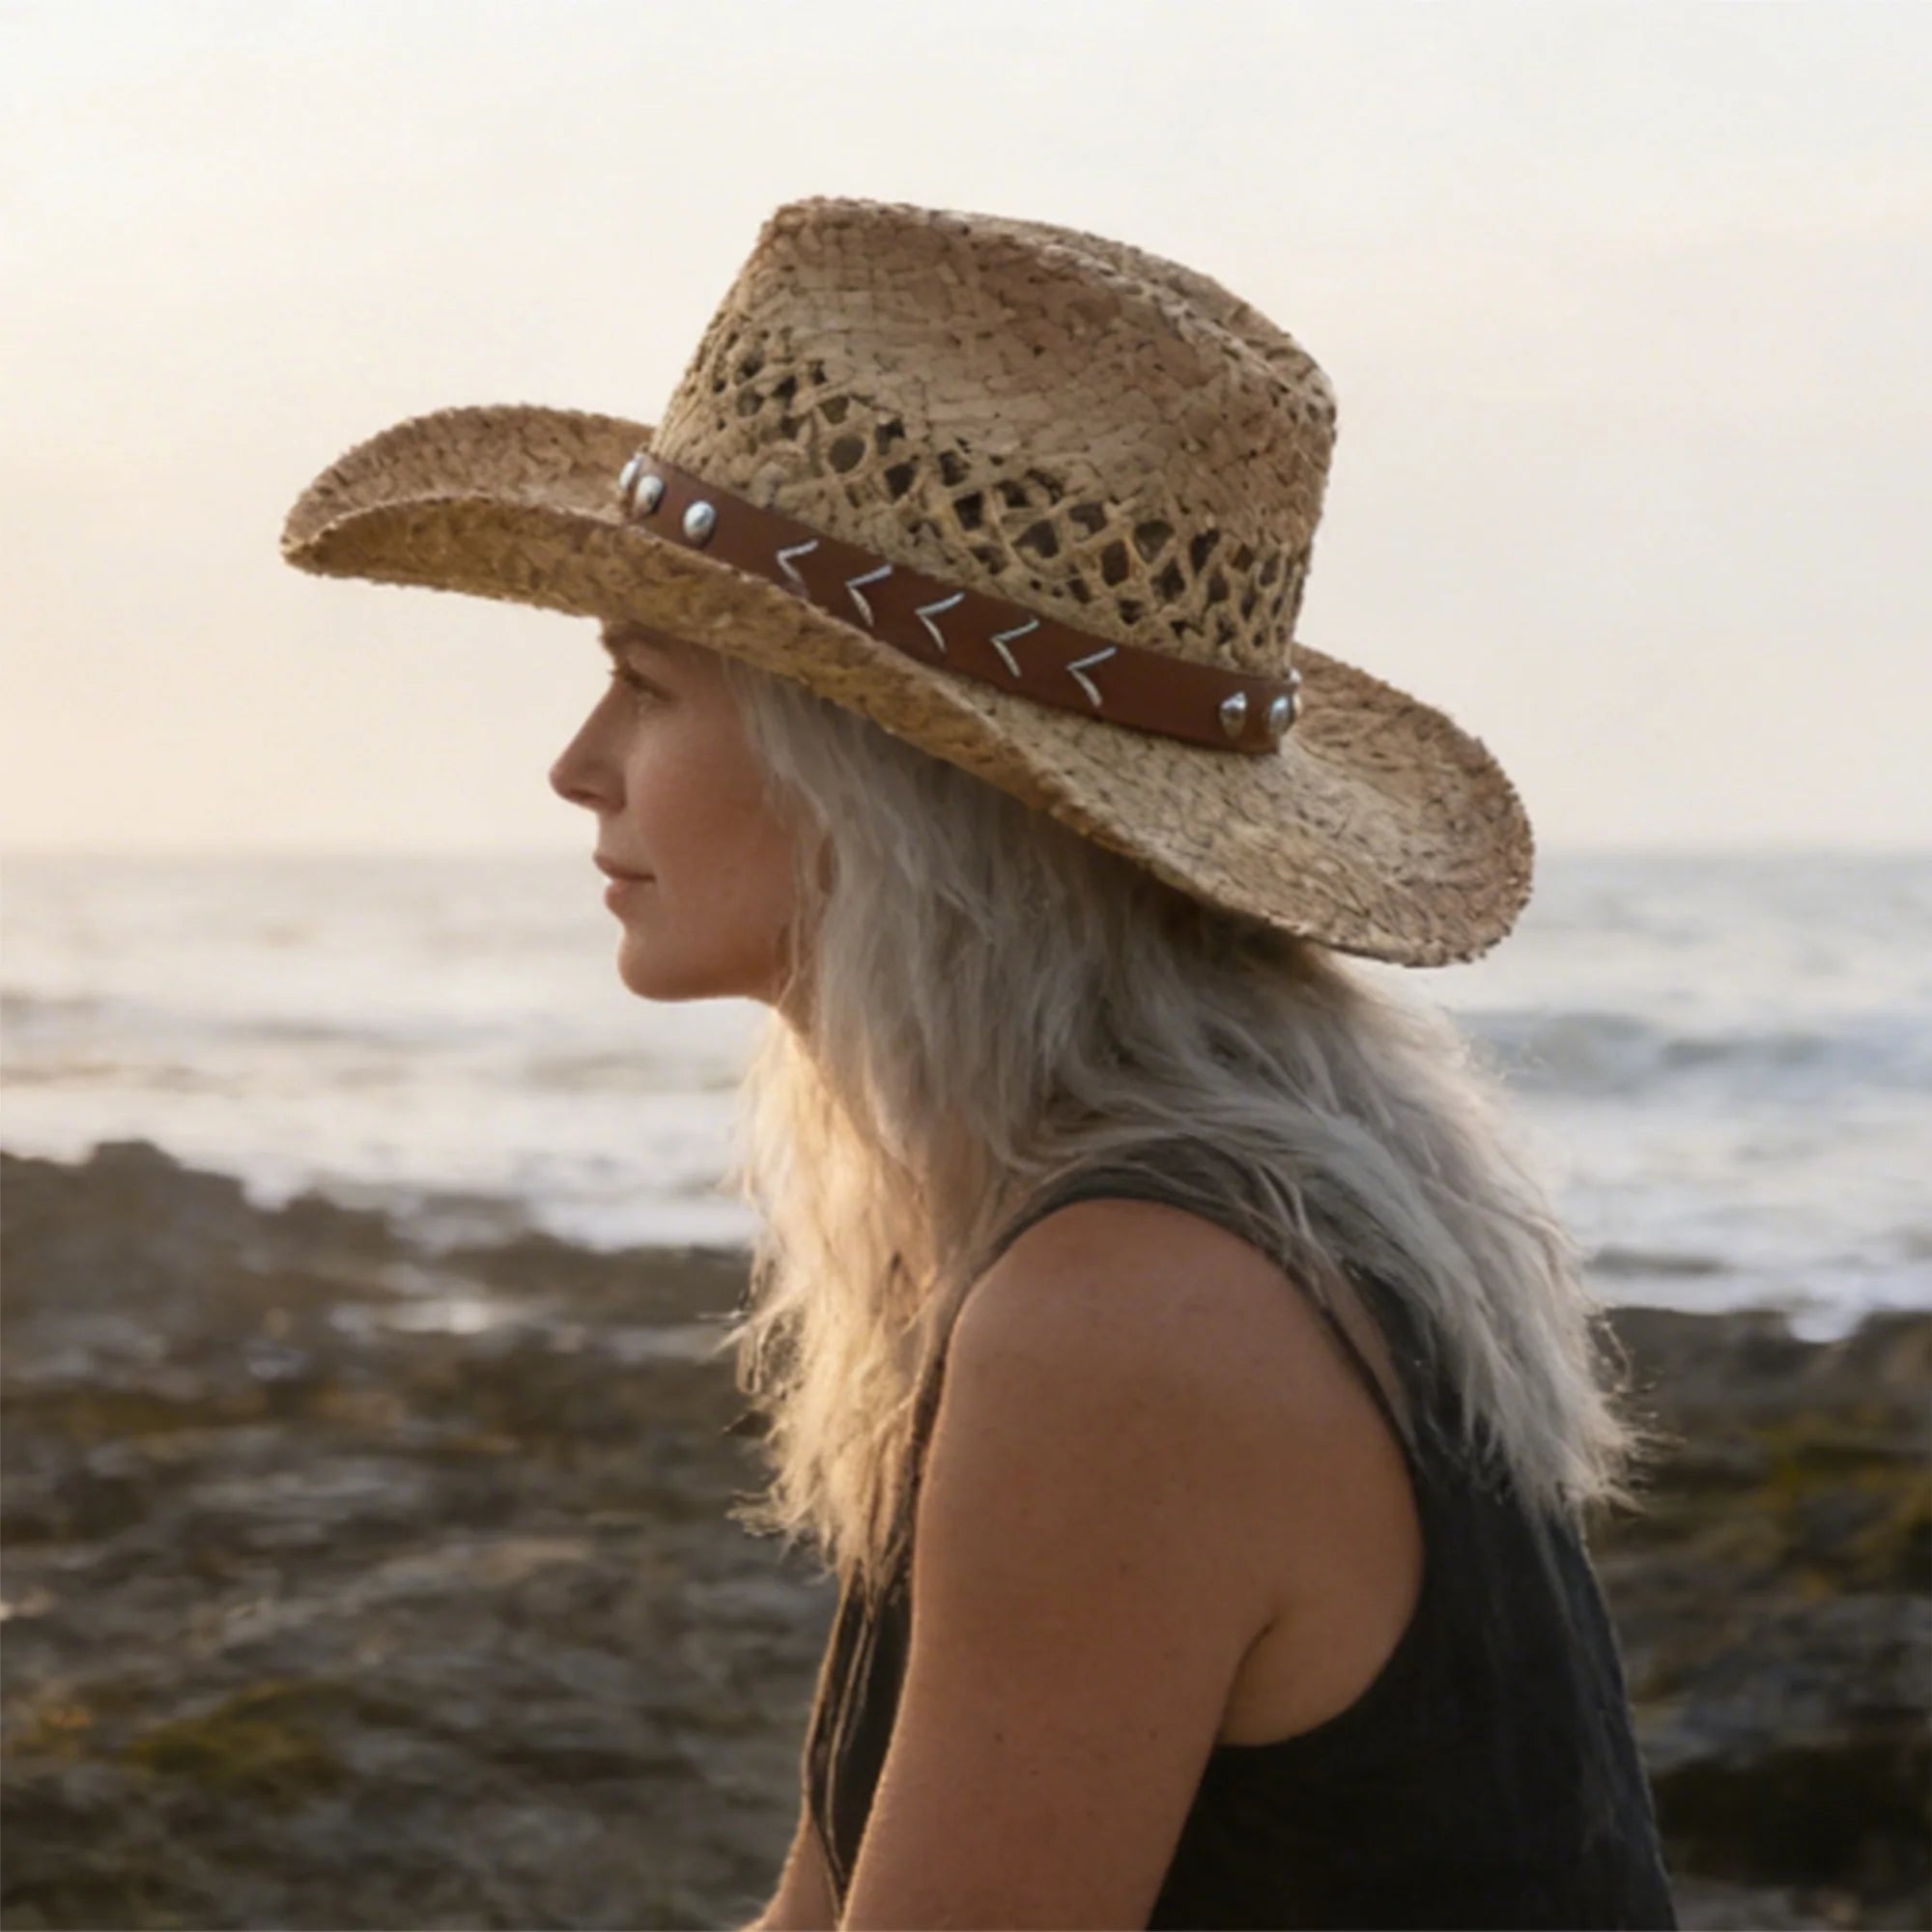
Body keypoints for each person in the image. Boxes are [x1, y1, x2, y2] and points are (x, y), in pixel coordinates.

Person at [280, 195, 1678, 1930]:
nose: (578, 765)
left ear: (876, 781)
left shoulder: (1132, 1309)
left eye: (648, 684)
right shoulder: (1100, 1224)